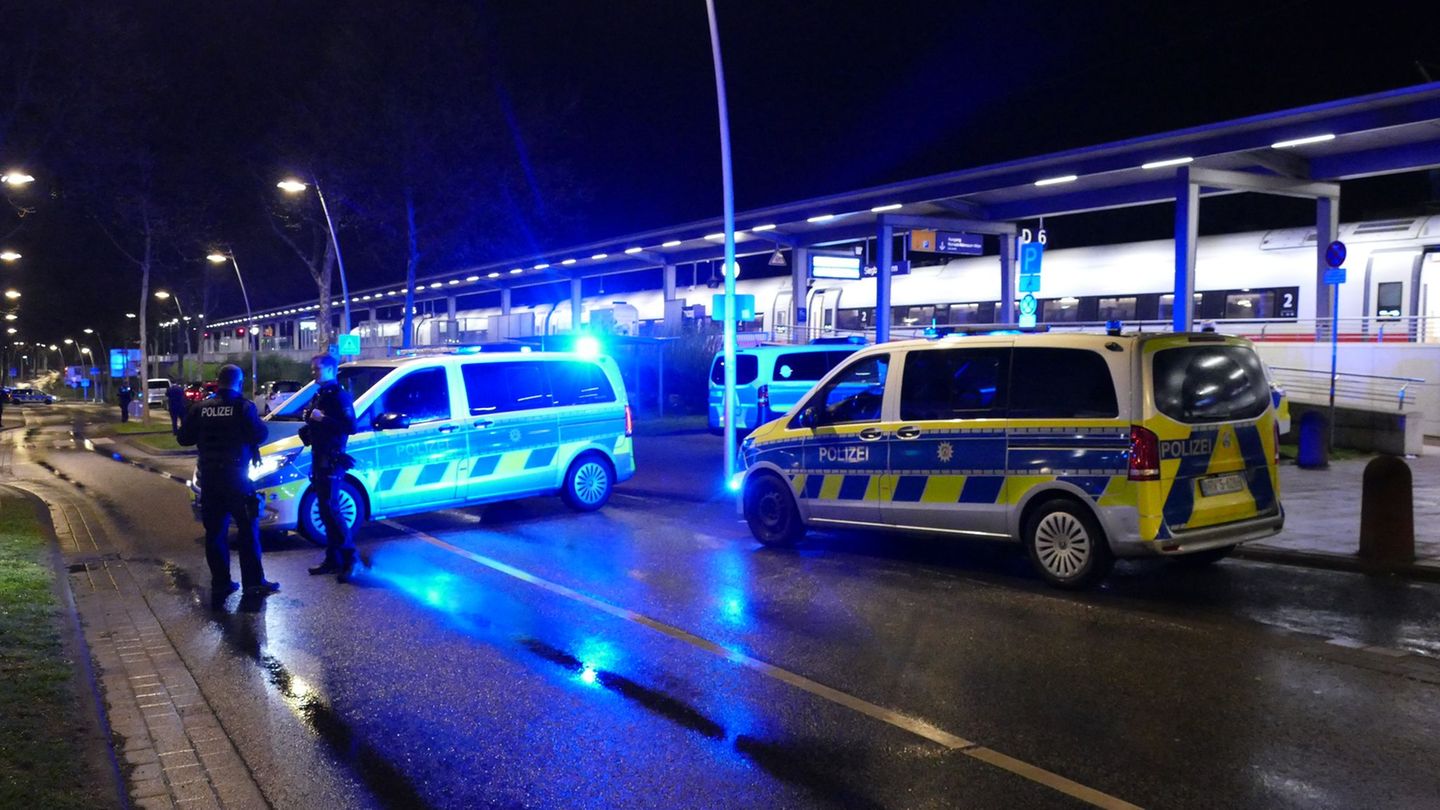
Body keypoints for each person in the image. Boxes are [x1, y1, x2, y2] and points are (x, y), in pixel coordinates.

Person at [176, 364, 278, 600]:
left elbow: (183, 438)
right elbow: (260, 434)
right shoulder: (243, 407)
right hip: (237, 478)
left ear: (218, 381)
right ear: (239, 383)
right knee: (248, 530)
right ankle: (253, 583)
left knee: (215, 533)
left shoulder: (201, 408)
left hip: (210, 479)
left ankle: (221, 583)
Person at [300, 353, 360, 582]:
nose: (313, 372)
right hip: (319, 458)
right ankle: (333, 559)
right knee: (325, 511)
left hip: (333, 460)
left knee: (332, 510)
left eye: (316, 368)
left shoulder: (339, 396)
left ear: (329, 370)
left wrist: (322, 419)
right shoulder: (321, 394)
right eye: (313, 368)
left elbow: (350, 427)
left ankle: (351, 559)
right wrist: (310, 422)